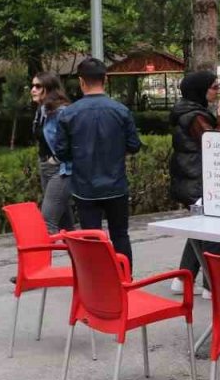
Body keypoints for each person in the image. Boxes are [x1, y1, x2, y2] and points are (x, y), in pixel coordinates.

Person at [55, 58, 142, 265]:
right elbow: (134, 145)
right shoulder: (121, 111)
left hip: (85, 188)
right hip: (116, 185)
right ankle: (124, 280)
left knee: (91, 238)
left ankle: (96, 285)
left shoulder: (69, 114)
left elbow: (61, 152)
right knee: (120, 235)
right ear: (105, 79)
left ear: (81, 81)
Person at [168, 69, 220, 298]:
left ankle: (183, 278)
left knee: (200, 229)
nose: (218, 91)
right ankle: (213, 285)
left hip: (191, 178)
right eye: (215, 87)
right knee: (214, 230)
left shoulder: (190, 111)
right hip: (199, 180)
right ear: (201, 90)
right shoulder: (195, 116)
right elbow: (215, 144)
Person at [31, 72, 75, 233]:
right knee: (66, 224)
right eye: (32, 86)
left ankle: (41, 259)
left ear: (49, 89)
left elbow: (73, 140)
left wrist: (56, 159)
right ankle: (82, 257)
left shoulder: (61, 111)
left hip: (61, 170)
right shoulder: (42, 111)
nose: (33, 90)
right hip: (46, 167)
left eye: (38, 86)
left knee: (47, 222)